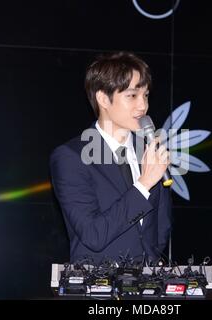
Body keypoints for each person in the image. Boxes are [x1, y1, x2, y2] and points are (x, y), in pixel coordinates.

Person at [50, 51, 172, 265]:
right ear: (103, 98)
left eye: (145, 95)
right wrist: (144, 184)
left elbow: (161, 226)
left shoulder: (147, 149)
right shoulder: (71, 158)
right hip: (99, 284)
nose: (143, 106)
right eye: (132, 95)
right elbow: (94, 234)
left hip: (148, 284)